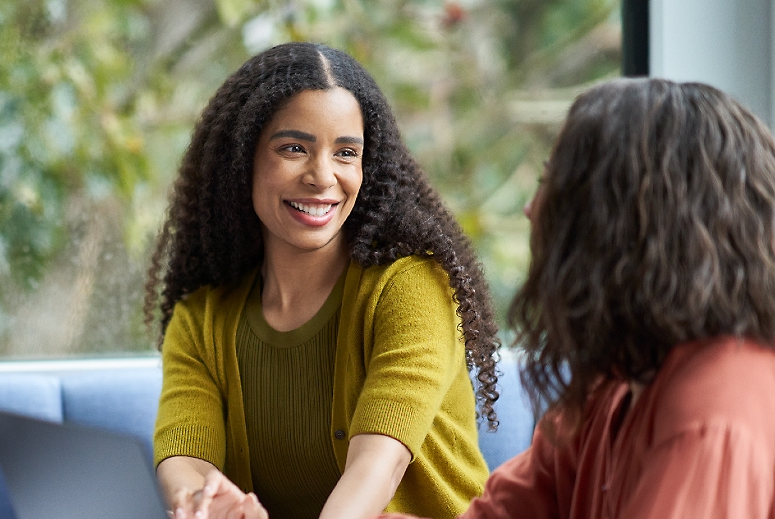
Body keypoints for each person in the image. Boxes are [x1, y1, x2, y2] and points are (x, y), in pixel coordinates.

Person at [382, 78, 775, 519]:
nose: (531, 208)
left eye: (551, 183)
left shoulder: (711, 416)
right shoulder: (614, 382)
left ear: (612, 222)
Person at [145, 42, 500, 519]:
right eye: (294, 148)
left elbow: (379, 462)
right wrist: (203, 501)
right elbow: (185, 459)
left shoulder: (412, 287)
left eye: (346, 153)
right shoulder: (200, 320)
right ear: (241, 161)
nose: (322, 176)